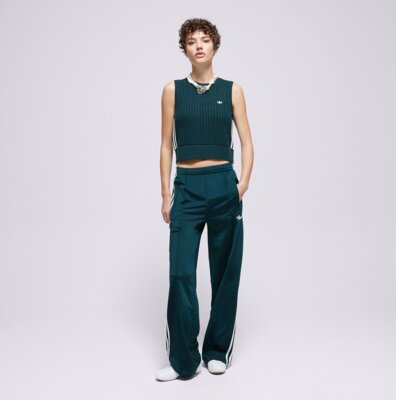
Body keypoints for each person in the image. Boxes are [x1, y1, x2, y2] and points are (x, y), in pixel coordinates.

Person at [156, 18, 254, 381]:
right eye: (192, 41)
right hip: (187, 188)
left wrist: (241, 185)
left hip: (223, 185)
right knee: (181, 273)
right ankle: (183, 360)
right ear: (184, 49)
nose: (199, 45)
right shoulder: (172, 90)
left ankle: (216, 351)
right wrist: (166, 193)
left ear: (215, 46)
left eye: (205, 40)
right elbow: (165, 145)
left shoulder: (232, 90)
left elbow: (247, 142)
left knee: (225, 272)